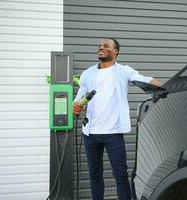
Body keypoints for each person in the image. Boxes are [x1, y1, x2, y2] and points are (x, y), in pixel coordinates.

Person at [73, 38, 161, 200]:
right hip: (90, 134)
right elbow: (78, 101)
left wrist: (160, 86)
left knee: (120, 175)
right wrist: (76, 106)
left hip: (113, 134)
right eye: (100, 46)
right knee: (95, 175)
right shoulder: (88, 73)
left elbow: (142, 78)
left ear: (115, 52)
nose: (101, 47)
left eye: (106, 46)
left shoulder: (123, 71)